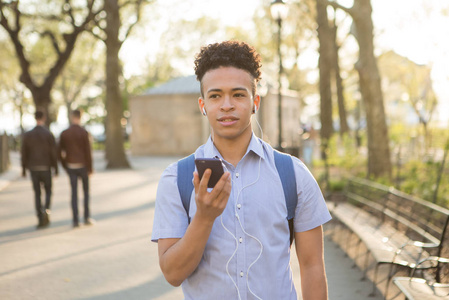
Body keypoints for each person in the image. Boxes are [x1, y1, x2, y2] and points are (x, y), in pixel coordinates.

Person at [151, 41, 332, 300]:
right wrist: (204, 217)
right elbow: (172, 274)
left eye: (238, 94)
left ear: (254, 101)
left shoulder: (293, 174)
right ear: (203, 105)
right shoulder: (176, 179)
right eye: (215, 96)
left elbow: (312, 266)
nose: (226, 105)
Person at [21, 109, 58, 229]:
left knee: (37, 193)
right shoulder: (48, 134)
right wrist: (55, 168)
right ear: (44, 118)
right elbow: (53, 152)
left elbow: (24, 153)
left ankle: (40, 216)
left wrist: (23, 169)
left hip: (33, 167)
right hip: (46, 167)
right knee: (48, 191)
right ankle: (46, 210)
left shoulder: (28, 134)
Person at [58, 109, 94, 228]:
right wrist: (90, 168)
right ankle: (86, 217)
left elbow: (60, 152)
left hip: (71, 166)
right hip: (83, 166)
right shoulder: (84, 132)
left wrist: (65, 165)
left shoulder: (65, 133)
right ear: (80, 117)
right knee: (86, 192)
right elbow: (88, 152)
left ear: (71, 117)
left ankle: (75, 220)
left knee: (73, 193)